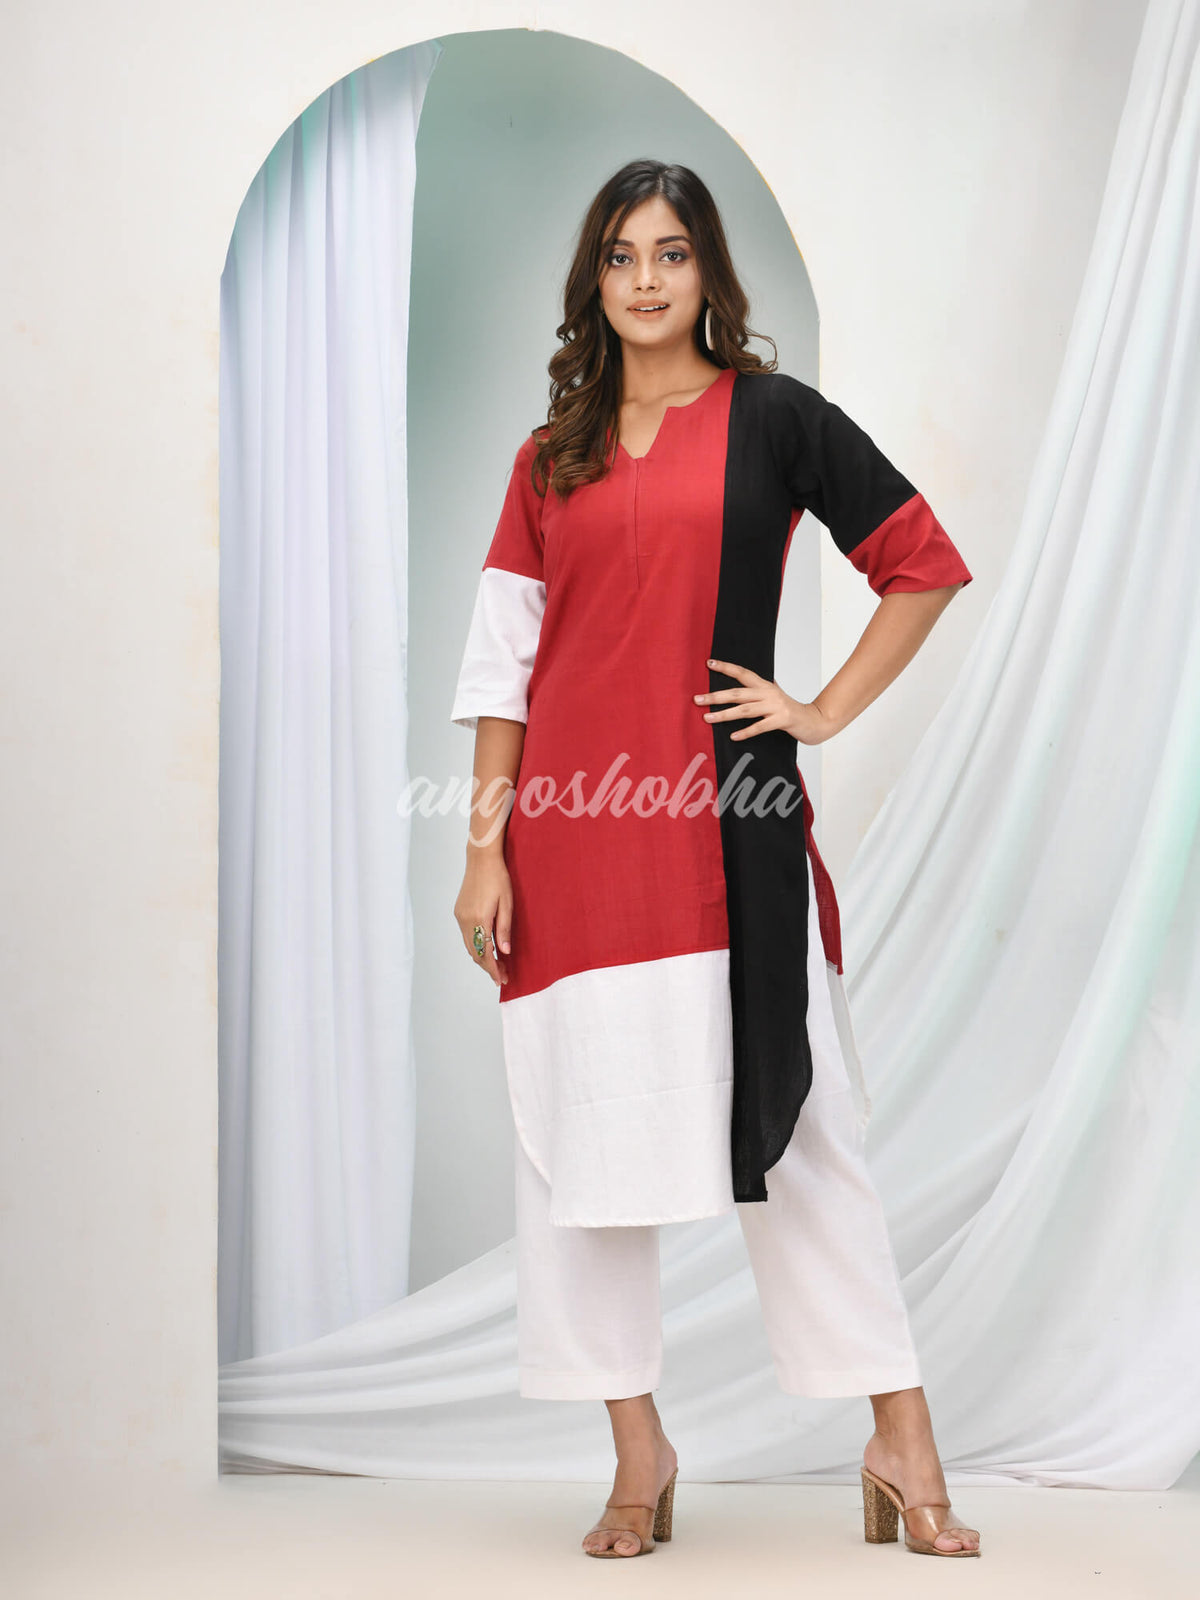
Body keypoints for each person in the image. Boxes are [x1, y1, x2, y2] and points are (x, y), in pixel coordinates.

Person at [449, 158, 981, 1560]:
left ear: (708, 273)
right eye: (622, 255)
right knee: (577, 1145)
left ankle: (901, 1433)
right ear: (595, 280)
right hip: (572, 843)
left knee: (806, 1131)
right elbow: (503, 668)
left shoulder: (776, 419)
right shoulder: (547, 460)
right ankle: (639, 1453)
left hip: (731, 832)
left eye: (671, 253)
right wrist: (485, 850)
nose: (646, 279)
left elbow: (921, 560)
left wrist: (822, 710)